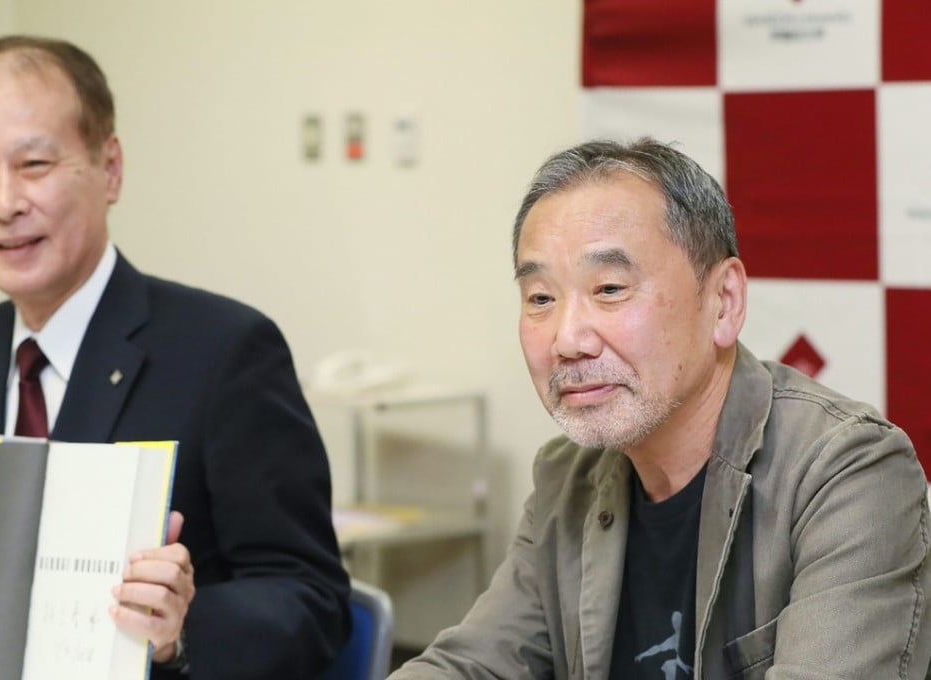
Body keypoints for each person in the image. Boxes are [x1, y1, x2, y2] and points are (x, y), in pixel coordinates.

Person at [390, 138, 931, 679]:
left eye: (608, 288)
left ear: (724, 303)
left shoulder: (848, 471)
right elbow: (472, 664)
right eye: (540, 298)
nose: (568, 339)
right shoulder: (567, 478)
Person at [0, 35, 349, 679]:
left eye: (34, 164)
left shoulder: (226, 352)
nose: (4, 203)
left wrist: (177, 632)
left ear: (110, 168)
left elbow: (311, 600)